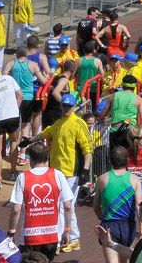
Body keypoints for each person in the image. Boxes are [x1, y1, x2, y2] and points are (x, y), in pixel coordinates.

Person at [24, 93, 92, 252]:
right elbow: (45, 133)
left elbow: (88, 150)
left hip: (72, 173)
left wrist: (85, 171)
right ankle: (71, 239)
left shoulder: (78, 124)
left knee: (65, 206)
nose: (66, 108)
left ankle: (68, 239)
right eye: (64, 105)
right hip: (57, 172)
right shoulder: (58, 123)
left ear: (74, 107)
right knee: (63, 206)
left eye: (69, 106)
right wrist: (29, 140)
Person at [6, 143, 74, 261]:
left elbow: (16, 209)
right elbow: (68, 206)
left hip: (29, 235)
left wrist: (11, 232)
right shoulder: (58, 175)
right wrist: (67, 230)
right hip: (52, 235)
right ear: (47, 157)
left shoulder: (23, 177)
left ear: (30, 159)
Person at [93, 145, 142, 254]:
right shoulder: (135, 180)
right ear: (127, 160)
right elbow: (139, 205)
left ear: (110, 160)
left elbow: (96, 207)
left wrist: (103, 217)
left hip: (109, 226)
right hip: (128, 226)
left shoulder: (102, 179)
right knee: (127, 258)